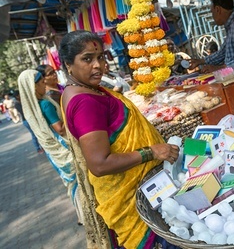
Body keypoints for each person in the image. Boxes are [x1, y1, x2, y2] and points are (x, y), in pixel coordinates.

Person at [59, 30, 180, 249]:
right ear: (68, 64)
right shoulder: (85, 102)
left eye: (100, 57)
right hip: (132, 202)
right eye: (87, 59)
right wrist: (151, 152)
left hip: (141, 192)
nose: (97, 65)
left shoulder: (85, 89)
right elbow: (99, 163)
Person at [17, 69, 84, 226]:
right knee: (79, 182)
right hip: (64, 149)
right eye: (41, 83)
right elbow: (59, 128)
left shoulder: (33, 109)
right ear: (34, 87)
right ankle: (86, 214)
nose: (44, 86)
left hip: (53, 153)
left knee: (72, 183)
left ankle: (81, 215)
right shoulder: (46, 104)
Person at [189, 0, 234, 73]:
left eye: (212, 12)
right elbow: (222, 53)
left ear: (218, 10)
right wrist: (201, 61)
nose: (212, 16)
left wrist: (221, 68)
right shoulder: (232, 26)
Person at [14, 90, 44, 154]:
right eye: (19, 94)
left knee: (38, 132)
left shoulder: (23, 101)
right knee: (34, 134)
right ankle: (38, 148)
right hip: (26, 121)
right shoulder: (17, 104)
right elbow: (23, 111)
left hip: (30, 119)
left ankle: (42, 146)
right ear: (17, 96)